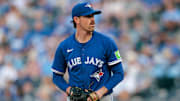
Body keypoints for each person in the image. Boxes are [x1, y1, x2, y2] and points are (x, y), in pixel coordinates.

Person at [51, 2, 124, 101]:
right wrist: (69, 90)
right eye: (88, 17)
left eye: (93, 16)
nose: (93, 20)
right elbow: (56, 76)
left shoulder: (107, 42)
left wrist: (100, 92)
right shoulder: (64, 46)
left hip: (102, 98)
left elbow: (119, 73)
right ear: (76, 19)